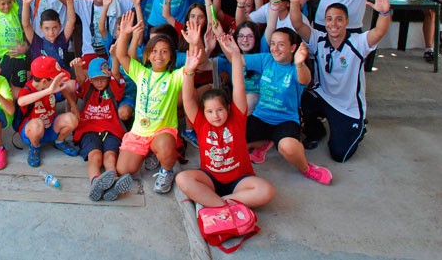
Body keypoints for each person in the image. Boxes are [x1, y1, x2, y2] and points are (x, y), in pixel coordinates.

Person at [289, 0, 392, 162]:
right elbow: (298, 25)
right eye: (329, 19)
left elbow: (379, 32)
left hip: (347, 107)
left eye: (338, 19)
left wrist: (384, 12)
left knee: (339, 155)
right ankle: (316, 131)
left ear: (347, 22)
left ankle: (358, 127)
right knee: (302, 98)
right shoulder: (318, 39)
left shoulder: (358, 43)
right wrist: (294, 3)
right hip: (323, 96)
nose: (333, 23)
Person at [176, 34, 276, 208]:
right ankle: (224, 204)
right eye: (210, 111)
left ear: (228, 109)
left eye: (220, 110)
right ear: (204, 113)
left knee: (266, 190)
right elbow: (188, 99)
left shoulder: (237, 118)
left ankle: (218, 203)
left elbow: (239, 86)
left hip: (240, 181)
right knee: (182, 178)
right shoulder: (200, 122)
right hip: (210, 179)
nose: (215, 115)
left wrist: (236, 56)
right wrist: (189, 71)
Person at [112, 11, 191, 196]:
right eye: (154, 51)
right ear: (147, 55)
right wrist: (124, 33)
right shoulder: (141, 73)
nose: (159, 56)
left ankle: (166, 171)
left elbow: (193, 63)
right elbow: (122, 55)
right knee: (124, 170)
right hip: (139, 132)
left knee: (164, 146)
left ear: (171, 56)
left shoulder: (174, 77)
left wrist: (194, 43)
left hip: (162, 132)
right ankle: (148, 154)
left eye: (164, 52)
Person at [243, 27, 333, 185]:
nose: (275, 49)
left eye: (281, 44)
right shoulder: (266, 59)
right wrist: (226, 46)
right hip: (261, 117)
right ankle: (265, 141)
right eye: (272, 44)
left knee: (288, 147)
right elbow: (237, 59)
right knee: (233, 140)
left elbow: (305, 80)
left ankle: (307, 168)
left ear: (293, 48)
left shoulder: (296, 68)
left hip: (286, 120)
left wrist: (299, 63)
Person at [71, 57, 134, 202]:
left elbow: (117, 74)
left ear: (108, 76)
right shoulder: (87, 87)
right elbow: (81, 80)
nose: (99, 82)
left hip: (111, 129)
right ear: (91, 79)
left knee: (110, 157)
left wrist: (115, 57)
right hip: (89, 129)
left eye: (103, 78)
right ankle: (95, 182)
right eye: (95, 79)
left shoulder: (113, 87)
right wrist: (77, 67)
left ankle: (114, 183)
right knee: (95, 156)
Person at [16, 56, 80, 167]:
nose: (58, 82)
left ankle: (59, 141)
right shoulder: (28, 89)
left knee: (72, 119)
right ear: (45, 81)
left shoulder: (51, 84)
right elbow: (21, 102)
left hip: (50, 126)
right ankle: (35, 146)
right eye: (55, 79)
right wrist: (48, 91)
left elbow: (63, 87)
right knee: (37, 124)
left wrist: (73, 104)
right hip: (32, 131)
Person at [22, 0, 75, 71]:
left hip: (61, 79)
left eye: (55, 27)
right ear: (40, 28)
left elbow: (71, 21)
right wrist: (26, 4)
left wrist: (69, 1)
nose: (51, 32)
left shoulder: (62, 40)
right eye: (46, 28)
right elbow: (26, 24)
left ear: (60, 26)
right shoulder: (37, 42)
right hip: (42, 81)